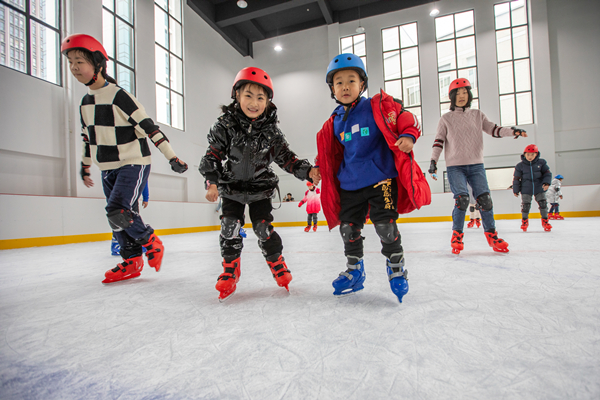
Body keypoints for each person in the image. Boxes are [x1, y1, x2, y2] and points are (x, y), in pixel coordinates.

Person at [61, 34, 188, 284]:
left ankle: (150, 241)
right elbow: (89, 138)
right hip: (106, 168)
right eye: (70, 62)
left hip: (133, 161)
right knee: (116, 217)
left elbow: (150, 127)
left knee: (117, 210)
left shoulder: (119, 96)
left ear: (98, 65)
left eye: (80, 61)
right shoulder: (85, 103)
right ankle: (131, 260)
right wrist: (85, 166)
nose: (74, 67)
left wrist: (172, 157)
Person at [314, 54, 431, 303]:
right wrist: (316, 168)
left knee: (385, 227)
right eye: (339, 82)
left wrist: (409, 134)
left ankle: (396, 266)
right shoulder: (334, 122)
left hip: (381, 178)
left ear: (362, 84)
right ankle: (355, 271)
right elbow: (329, 153)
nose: (345, 86)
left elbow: (406, 116)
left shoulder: (377, 106)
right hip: (350, 183)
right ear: (332, 89)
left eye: (351, 80)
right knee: (348, 228)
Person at [199, 67, 320, 301]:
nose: (254, 103)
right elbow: (212, 156)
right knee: (229, 226)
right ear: (236, 95)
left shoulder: (272, 132)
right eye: (248, 95)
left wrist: (308, 172)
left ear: (268, 102)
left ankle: (276, 261)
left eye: (260, 97)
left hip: (260, 189)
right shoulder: (225, 126)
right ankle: (230, 268)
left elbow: (288, 159)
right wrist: (211, 183)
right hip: (231, 187)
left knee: (262, 228)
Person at [428, 78, 527, 254]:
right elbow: (438, 141)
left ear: (469, 95)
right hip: (455, 167)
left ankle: (492, 235)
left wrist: (513, 131)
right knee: (462, 199)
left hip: (476, 166)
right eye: (458, 93)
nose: (461, 96)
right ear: (452, 96)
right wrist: (433, 161)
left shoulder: (477, 114)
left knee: (485, 200)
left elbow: (494, 129)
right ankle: (457, 235)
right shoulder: (446, 118)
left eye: (465, 92)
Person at [513, 144, 552, 232]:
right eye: (528, 154)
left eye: (532, 154)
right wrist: (516, 190)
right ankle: (524, 221)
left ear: (536, 154)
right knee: (525, 206)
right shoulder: (520, 166)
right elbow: (516, 178)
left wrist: (546, 183)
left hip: (539, 187)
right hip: (526, 188)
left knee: (543, 205)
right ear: (524, 154)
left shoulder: (541, 163)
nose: (530, 157)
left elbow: (547, 174)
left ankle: (545, 221)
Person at [111, 182, 149, 255]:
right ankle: (117, 244)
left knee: (128, 219)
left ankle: (130, 243)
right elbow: (144, 180)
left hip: (130, 196)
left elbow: (144, 180)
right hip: (125, 195)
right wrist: (146, 197)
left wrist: (146, 197)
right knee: (121, 218)